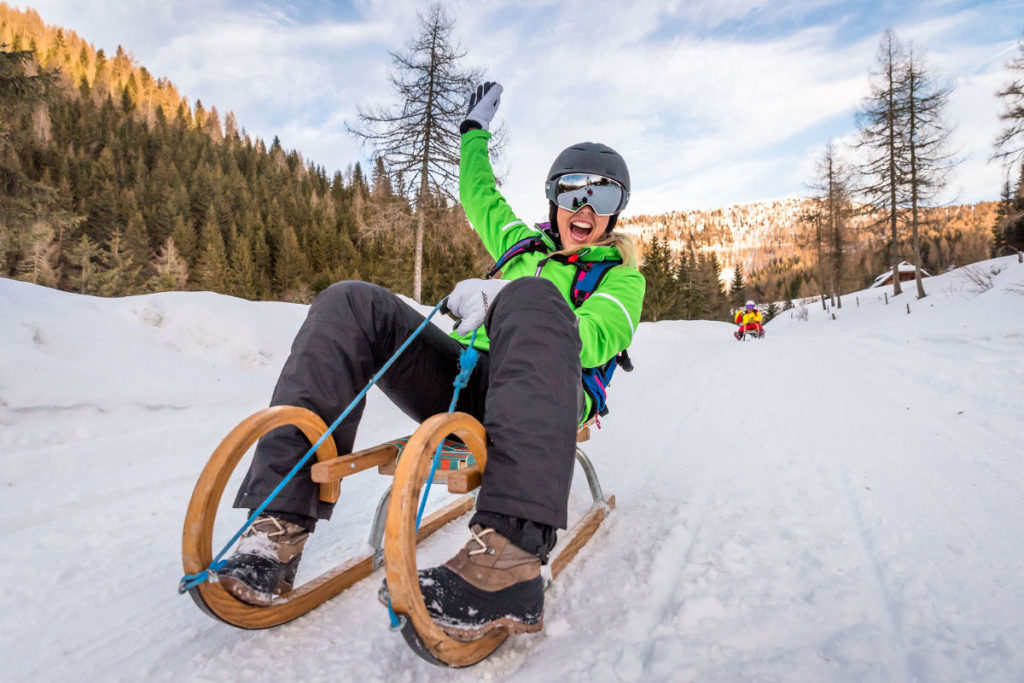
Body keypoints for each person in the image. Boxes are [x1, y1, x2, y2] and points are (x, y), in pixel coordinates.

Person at [217, 81, 645, 639]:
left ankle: (510, 557)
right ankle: (278, 525)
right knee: (351, 302)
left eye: (602, 198)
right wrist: (472, 133)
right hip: (467, 386)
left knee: (536, 298)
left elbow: (595, 336)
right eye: (572, 192)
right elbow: (479, 195)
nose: (584, 209)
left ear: (616, 213)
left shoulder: (622, 277)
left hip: (545, 400)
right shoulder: (521, 245)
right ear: (553, 200)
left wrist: (506, 300)